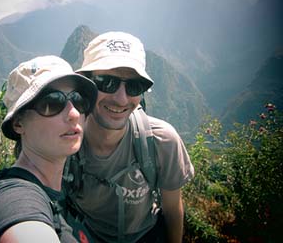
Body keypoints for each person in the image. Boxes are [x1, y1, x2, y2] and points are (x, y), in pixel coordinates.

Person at [65, 32, 194, 243]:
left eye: (134, 86)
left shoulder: (162, 142)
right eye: (107, 82)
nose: (121, 99)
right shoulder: (65, 139)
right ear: (86, 84)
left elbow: (172, 210)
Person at [0, 55, 97, 243]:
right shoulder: (13, 199)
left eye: (77, 100)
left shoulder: (61, 191)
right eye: (52, 103)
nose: (74, 113)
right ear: (18, 123)